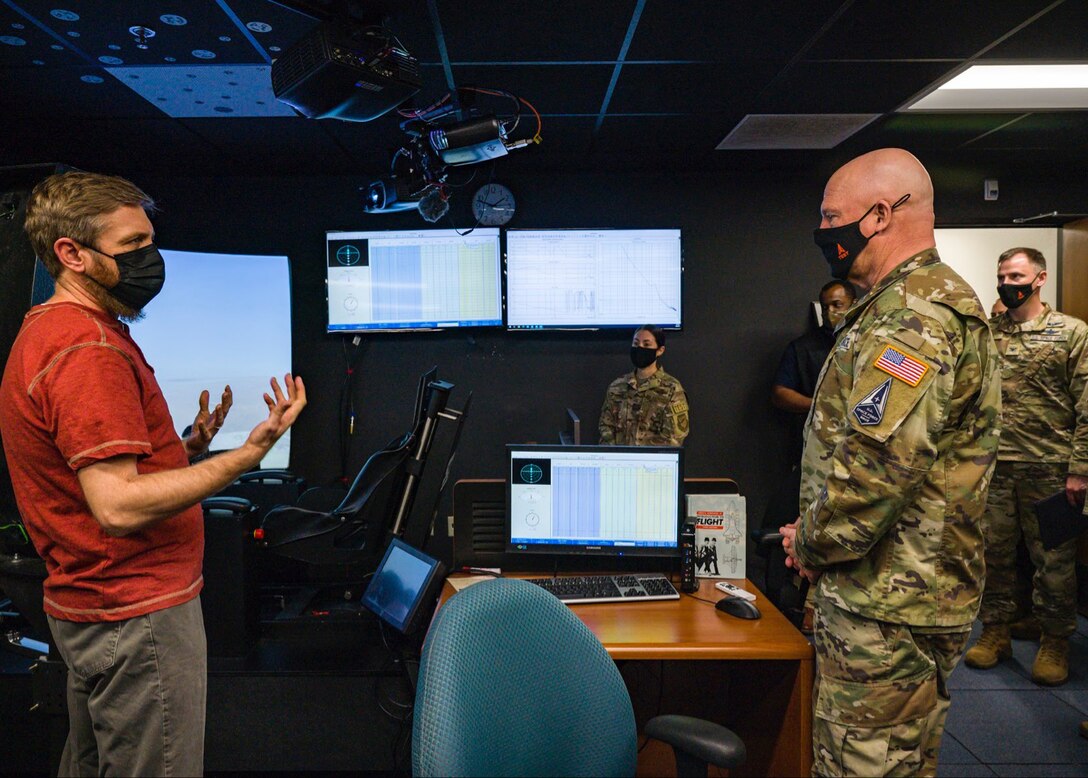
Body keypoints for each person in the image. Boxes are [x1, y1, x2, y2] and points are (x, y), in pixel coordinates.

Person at [0, 171, 307, 777]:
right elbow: (116, 506)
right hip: (135, 614)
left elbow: (98, 476)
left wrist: (187, 447)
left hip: (99, 608)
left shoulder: (58, 331)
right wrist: (245, 457)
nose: (151, 258)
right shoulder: (87, 352)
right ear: (72, 254)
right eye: (133, 245)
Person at [779, 148, 1001, 777]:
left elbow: (876, 476)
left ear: (878, 216)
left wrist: (812, 544)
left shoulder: (913, 317)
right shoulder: (906, 303)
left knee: (864, 767)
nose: (824, 233)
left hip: (887, 602)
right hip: (898, 590)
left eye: (831, 217)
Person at [962, 247, 1088, 686]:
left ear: (1039, 279)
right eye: (1001, 276)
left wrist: (1081, 469)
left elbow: (1086, 406)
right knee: (993, 555)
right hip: (993, 467)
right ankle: (995, 631)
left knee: (1054, 561)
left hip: (1051, 468)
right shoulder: (986, 333)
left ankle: (1055, 641)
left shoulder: (1071, 333)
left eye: (1015, 275)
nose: (1006, 283)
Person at [766, 280, 857, 631]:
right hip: (812, 462)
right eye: (827, 306)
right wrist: (822, 406)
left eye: (839, 304)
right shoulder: (807, 348)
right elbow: (780, 393)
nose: (833, 312)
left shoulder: (867, 344)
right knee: (804, 532)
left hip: (855, 464)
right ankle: (808, 610)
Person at [598, 324, 689, 446]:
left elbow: (674, 438)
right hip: (619, 462)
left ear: (659, 350)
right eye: (636, 344)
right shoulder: (617, 386)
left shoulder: (672, 388)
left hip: (655, 463)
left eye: (646, 344)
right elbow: (606, 428)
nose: (640, 348)